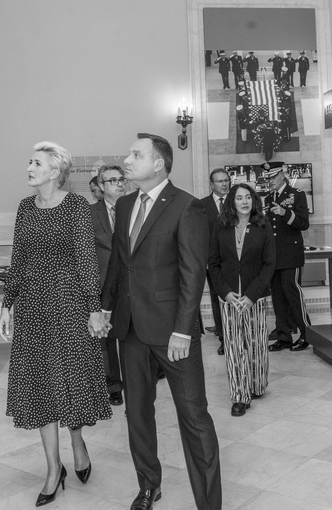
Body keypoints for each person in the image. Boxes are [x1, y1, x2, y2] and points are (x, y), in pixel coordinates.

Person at [93, 133, 221, 510]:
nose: (127, 160)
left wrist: (183, 328)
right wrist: (104, 309)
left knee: (194, 417)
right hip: (130, 329)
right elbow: (119, 264)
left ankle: (209, 503)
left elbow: (192, 272)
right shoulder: (127, 202)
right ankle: (149, 485)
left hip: (173, 332)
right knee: (137, 414)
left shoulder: (187, 207)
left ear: (159, 164)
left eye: (136, 155)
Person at [0, 141, 112, 507]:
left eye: (37, 163)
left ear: (55, 171)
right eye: (29, 161)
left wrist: (94, 306)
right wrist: (6, 305)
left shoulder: (76, 206)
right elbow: (18, 258)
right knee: (41, 386)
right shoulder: (24, 208)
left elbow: (85, 258)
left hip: (69, 304)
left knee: (70, 381)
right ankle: (52, 467)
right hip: (32, 307)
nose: (29, 167)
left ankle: (77, 441)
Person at [208, 182, 275, 417]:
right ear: (231, 202)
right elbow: (213, 263)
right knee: (235, 347)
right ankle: (239, 396)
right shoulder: (221, 226)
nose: (244, 202)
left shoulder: (263, 226)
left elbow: (269, 264)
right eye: (239, 198)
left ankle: (256, 385)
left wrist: (251, 295)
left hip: (254, 298)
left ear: (253, 200)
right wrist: (225, 292)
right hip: (229, 299)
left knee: (256, 345)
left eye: (248, 197)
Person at [264, 165, 311, 352]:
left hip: (291, 255)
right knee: (277, 297)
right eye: (267, 178)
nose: (270, 181)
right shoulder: (268, 198)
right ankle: (284, 337)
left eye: (273, 177)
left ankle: (306, 333)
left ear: (282, 175)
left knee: (292, 293)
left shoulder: (297, 194)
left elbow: (303, 223)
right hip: (273, 256)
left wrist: (285, 213)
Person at [91, 164, 127, 406]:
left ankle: (139, 380)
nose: (120, 183)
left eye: (121, 179)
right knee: (105, 337)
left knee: (133, 334)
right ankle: (113, 384)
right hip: (102, 283)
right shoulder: (88, 213)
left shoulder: (135, 209)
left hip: (132, 283)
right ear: (101, 187)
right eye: (113, 180)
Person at [200, 168, 231, 354]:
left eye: (226, 180)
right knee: (217, 299)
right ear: (212, 184)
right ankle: (223, 338)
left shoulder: (237, 201)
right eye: (219, 181)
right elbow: (199, 234)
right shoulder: (201, 205)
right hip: (212, 262)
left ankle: (239, 334)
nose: (224, 184)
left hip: (235, 261)